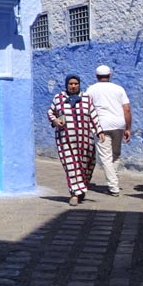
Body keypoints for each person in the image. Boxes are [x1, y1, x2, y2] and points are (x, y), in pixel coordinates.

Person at [48, 75, 103, 206]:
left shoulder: (86, 98)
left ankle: (81, 188)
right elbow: (51, 112)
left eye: (76, 83)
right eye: (71, 84)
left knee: (87, 164)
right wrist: (55, 120)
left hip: (85, 140)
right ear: (67, 85)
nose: (73, 86)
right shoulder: (58, 98)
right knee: (71, 165)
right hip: (65, 139)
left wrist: (99, 131)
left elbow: (93, 115)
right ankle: (74, 194)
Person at [84, 65, 131, 196]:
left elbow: (86, 108)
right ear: (110, 75)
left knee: (106, 157)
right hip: (119, 124)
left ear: (96, 76)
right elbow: (126, 109)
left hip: (101, 126)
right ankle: (113, 182)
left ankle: (113, 187)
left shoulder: (91, 89)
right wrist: (128, 128)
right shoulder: (118, 89)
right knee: (116, 154)